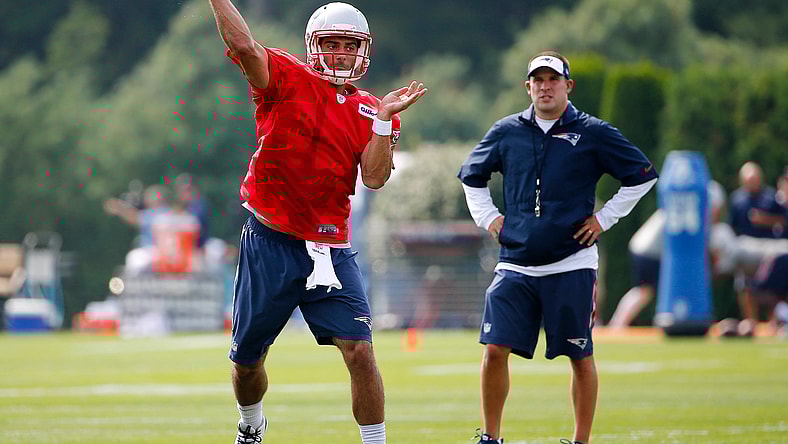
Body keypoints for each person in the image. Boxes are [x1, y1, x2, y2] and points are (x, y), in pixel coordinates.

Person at [207, 2, 427, 443]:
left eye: (349, 45)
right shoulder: (286, 76)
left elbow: (375, 178)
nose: (341, 53)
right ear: (313, 45)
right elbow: (245, 46)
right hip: (270, 238)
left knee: (360, 351)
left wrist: (383, 122)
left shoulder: (373, 109)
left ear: (363, 50)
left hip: (329, 247)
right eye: (332, 43)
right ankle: (251, 423)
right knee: (247, 361)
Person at [458, 51, 658, 444]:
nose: (545, 87)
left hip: (572, 263)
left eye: (553, 79)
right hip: (515, 263)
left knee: (580, 355)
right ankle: (491, 437)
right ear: (527, 87)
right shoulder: (506, 131)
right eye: (538, 80)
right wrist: (489, 218)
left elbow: (642, 176)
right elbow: (471, 176)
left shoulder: (593, 132)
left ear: (569, 85)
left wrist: (604, 219)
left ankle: (581, 440)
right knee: (494, 348)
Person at [608, 180, 737, 329]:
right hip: (650, 251)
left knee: (644, 291)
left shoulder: (682, 207)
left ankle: (617, 325)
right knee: (644, 291)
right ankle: (617, 326)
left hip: (644, 247)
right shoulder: (691, 214)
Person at [728, 162, 788, 335]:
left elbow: (783, 221)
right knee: (744, 285)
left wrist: (765, 220)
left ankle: (775, 323)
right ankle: (751, 322)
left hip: (769, 250)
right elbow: (732, 227)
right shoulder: (737, 199)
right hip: (747, 250)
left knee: (774, 288)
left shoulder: (771, 197)